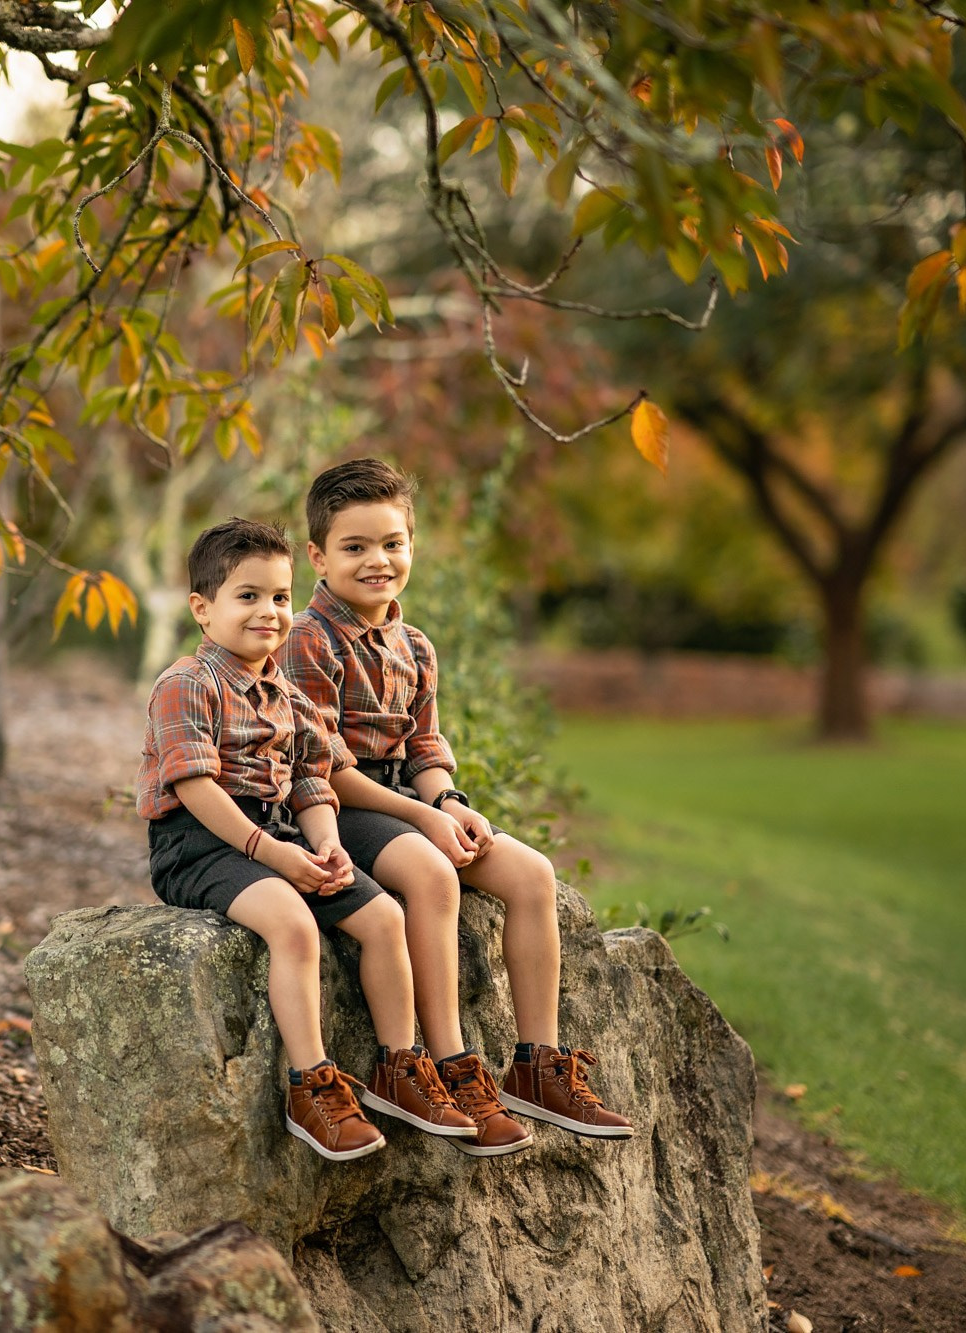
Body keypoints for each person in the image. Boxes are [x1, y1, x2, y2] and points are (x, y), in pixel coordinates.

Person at [277, 458, 635, 1156]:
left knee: (531, 874)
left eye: (393, 543)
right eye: (355, 547)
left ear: (412, 544)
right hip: (335, 803)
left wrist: (447, 800)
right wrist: (423, 817)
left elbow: (425, 746)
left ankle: (536, 1065)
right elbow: (323, 766)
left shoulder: (414, 645)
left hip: (409, 802)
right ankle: (447, 1065)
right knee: (432, 873)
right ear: (317, 556)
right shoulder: (306, 639)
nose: (378, 561)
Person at [138, 517, 478, 1161]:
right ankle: (312, 1087)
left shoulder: (288, 696)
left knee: (383, 916)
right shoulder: (187, 683)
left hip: (281, 833)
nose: (268, 612)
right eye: (247, 596)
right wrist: (271, 855)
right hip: (200, 844)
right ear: (202, 608)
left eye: (279, 597)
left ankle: (399, 1067)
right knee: (293, 923)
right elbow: (195, 788)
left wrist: (327, 846)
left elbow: (312, 782)